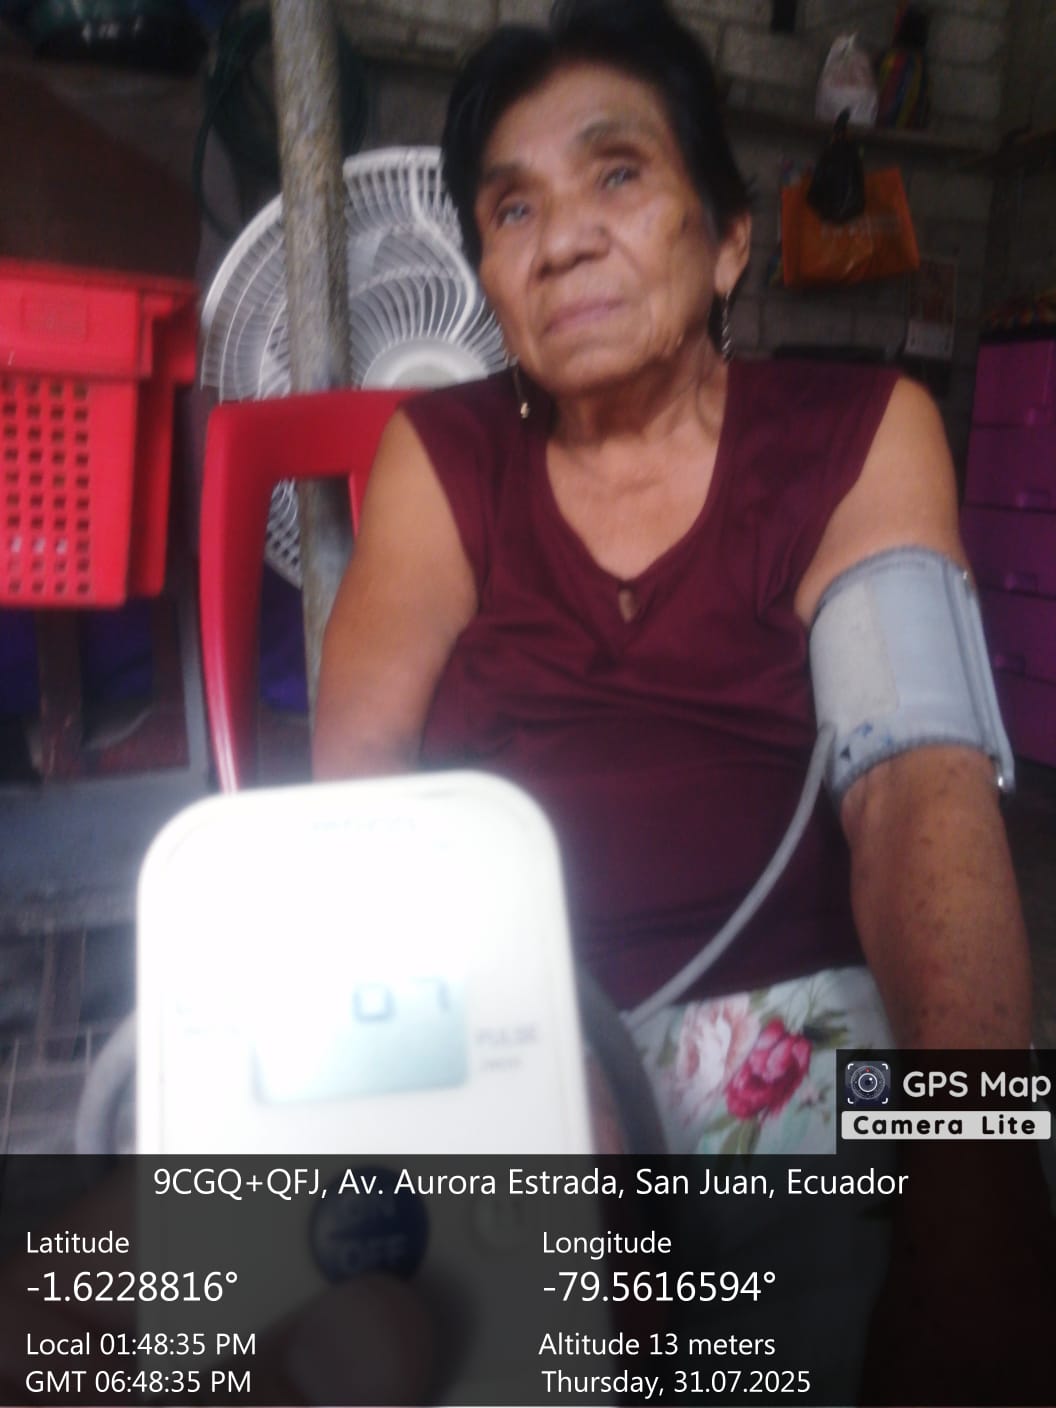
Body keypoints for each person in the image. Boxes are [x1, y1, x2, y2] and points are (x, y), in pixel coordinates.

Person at [313, 0, 1031, 1160]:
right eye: (512, 208)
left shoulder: (858, 433)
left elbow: (920, 788)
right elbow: (359, 779)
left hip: (800, 1033)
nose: (562, 241)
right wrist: (523, 1045)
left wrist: (974, 1165)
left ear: (730, 239)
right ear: (487, 273)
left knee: (988, 1215)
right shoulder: (440, 455)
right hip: (498, 1018)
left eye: (618, 174)